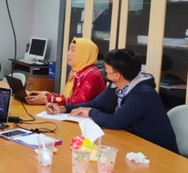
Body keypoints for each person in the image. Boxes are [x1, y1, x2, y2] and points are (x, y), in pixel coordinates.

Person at [51, 49, 179, 153]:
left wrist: (91, 112)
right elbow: (94, 104)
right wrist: (64, 108)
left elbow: (115, 121)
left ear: (117, 75)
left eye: (107, 72)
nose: (106, 75)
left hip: (158, 152)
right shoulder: (116, 85)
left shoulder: (143, 94)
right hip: (133, 145)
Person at [26, 38, 105, 106]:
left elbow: (79, 101)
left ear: (84, 54)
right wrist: (48, 94)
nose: (68, 54)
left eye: (73, 50)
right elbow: (69, 98)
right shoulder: (75, 71)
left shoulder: (92, 74)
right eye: (69, 49)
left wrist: (48, 99)